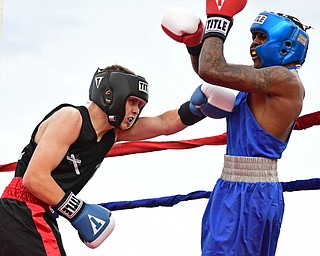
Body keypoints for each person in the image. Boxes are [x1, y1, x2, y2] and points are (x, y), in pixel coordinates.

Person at [0, 64, 235, 255]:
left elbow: (164, 124)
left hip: (35, 213)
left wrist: (197, 108)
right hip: (23, 209)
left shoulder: (113, 133)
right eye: (133, 101)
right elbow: (34, 178)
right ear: (111, 94)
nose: (136, 110)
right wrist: (79, 211)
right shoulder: (71, 118)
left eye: (140, 105)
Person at [161, 1, 310, 255]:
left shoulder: (284, 81)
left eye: (262, 37)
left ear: (286, 45)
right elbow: (208, 71)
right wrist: (195, 45)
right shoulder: (263, 81)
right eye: (253, 37)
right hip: (230, 187)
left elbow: (213, 69)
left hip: (253, 193)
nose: (254, 44)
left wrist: (219, 19)